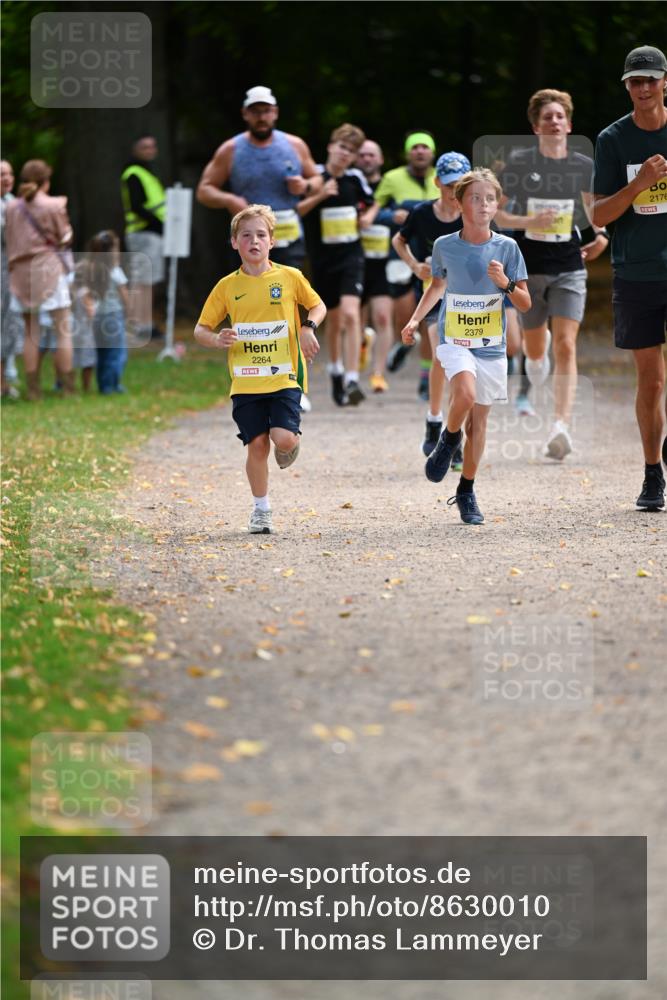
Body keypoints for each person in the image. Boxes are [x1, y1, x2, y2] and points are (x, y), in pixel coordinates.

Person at [402, 169, 530, 525]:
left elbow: (525, 303)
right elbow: (436, 287)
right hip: (454, 339)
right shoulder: (445, 245)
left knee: (480, 425)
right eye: (475, 198)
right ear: (458, 203)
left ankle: (466, 491)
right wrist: (414, 320)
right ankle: (448, 439)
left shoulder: (508, 248)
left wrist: (504, 283)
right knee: (465, 394)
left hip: (490, 345)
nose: (483, 205)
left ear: (497, 204)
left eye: (489, 198)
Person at [194, 205, 326, 534]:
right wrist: (216, 338)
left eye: (261, 235)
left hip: (284, 376)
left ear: (272, 242)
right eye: (246, 235)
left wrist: (308, 327)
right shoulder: (226, 286)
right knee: (257, 444)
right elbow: (200, 329)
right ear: (234, 243)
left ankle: (290, 442)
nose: (254, 241)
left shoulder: (289, 277)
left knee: (281, 439)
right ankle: (261, 509)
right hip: (246, 381)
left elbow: (317, 304)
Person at [496, 89, 609, 460]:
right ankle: (534, 362)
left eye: (560, 116)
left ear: (569, 124)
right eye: (547, 117)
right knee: (535, 349)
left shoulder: (581, 165)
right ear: (536, 126)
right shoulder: (518, 163)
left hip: (569, 264)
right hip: (528, 267)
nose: (555, 122)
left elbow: (595, 213)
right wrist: (530, 221)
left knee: (565, 344)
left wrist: (602, 237)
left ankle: (560, 426)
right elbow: (499, 216)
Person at [592, 45, 667, 512]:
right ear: (627, 87)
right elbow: (598, 214)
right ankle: (652, 473)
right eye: (634, 82)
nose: (642, 88)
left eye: (650, 80)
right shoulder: (612, 139)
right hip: (637, 272)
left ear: (665, 82)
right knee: (652, 380)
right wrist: (638, 185)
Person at [392, 151, 470, 460]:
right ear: (437, 182)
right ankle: (435, 421)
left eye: (460, 185)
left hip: (468, 299)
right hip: (435, 295)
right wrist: (414, 266)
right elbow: (399, 240)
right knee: (442, 353)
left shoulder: (473, 213)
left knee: (462, 368)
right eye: (449, 185)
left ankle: (452, 434)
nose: (454, 192)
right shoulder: (423, 214)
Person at [196, 86, 321, 271]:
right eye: (255, 112)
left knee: (287, 296)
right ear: (245, 114)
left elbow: (318, 181)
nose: (261, 118)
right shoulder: (231, 149)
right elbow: (204, 190)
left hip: (287, 236)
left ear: (275, 113)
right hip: (248, 240)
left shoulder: (294, 145)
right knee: (249, 297)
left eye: (266, 111)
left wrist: (305, 185)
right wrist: (229, 200)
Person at [298, 124, 374, 406]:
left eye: (351, 151)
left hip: (351, 255)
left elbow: (372, 202)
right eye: (342, 147)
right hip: (322, 259)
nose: (345, 154)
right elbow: (298, 210)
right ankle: (336, 370)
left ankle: (353, 378)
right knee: (334, 319)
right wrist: (321, 194)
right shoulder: (314, 176)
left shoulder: (355, 178)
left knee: (352, 315)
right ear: (331, 147)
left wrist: (367, 218)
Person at [370, 131, 439, 391]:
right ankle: (402, 342)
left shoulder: (441, 178)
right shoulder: (392, 178)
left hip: (432, 253)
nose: (420, 151)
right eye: (415, 147)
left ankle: (425, 377)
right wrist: (391, 215)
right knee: (406, 316)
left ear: (431, 153)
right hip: (400, 253)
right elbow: (373, 212)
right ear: (408, 152)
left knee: (430, 315)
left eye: (425, 147)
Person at [4, 159, 74, 400]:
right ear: (46, 180)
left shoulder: (12, 207)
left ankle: (33, 390)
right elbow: (64, 237)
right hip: (48, 270)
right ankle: (68, 387)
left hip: (20, 274)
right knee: (62, 330)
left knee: (29, 332)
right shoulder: (54, 204)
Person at [120, 135, 165, 341]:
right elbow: (137, 205)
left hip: (152, 233)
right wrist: (158, 223)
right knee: (141, 281)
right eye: (144, 147)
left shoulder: (148, 173)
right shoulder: (134, 174)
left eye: (152, 146)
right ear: (135, 149)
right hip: (143, 232)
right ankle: (136, 326)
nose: (149, 150)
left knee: (149, 281)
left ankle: (146, 324)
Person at [356, 140, 393, 392]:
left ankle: (378, 374)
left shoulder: (389, 187)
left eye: (372, 155)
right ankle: (353, 370)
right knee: (355, 320)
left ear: (380, 159)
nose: (367, 159)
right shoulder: (352, 185)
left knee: (382, 317)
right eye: (362, 155)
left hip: (383, 261)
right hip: (355, 261)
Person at [77, 230, 130, 394]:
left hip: (97, 318)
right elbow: (125, 296)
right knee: (116, 353)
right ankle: (111, 385)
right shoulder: (115, 272)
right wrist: (129, 311)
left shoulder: (90, 270)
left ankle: (103, 384)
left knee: (101, 353)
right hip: (114, 316)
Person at [1, 159, 23, 399]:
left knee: (11, 323)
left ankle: (8, 376)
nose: (7, 178)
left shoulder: (12, 202)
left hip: (12, 273)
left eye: (10, 173)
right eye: (1, 175)